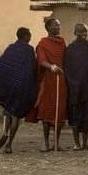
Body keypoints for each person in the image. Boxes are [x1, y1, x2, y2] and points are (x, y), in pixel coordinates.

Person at [0, 27, 37, 154]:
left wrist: (3, 81)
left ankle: (4, 133)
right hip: (21, 87)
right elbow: (32, 68)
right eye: (29, 35)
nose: (30, 38)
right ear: (25, 36)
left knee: (7, 111)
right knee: (16, 116)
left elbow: (1, 65)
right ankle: (9, 144)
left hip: (10, 85)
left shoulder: (11, 48)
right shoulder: (29, 50)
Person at [29, 17, 68, 152]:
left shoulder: (62, 42)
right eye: (56, 25)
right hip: (48, 81)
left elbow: (66, 59)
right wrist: (51, 67)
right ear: (48, 28)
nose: (58, 27)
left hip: (61, 80)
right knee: (46, 111)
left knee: (60, 111)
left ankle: (56, 143)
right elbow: (41, 61)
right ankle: (45, 142)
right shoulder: (42, 44)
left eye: (59, 25)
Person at [64, 23, 88, 151]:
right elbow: (66, 70)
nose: (83, 34)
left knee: (87, 116)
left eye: (85, 32)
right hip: (74, 89)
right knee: (75, 117)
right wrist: (73, 85)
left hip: (87, 87)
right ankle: (76, 143)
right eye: (80, 32)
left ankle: (85, 143)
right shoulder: (69, 49)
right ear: (75, 33)